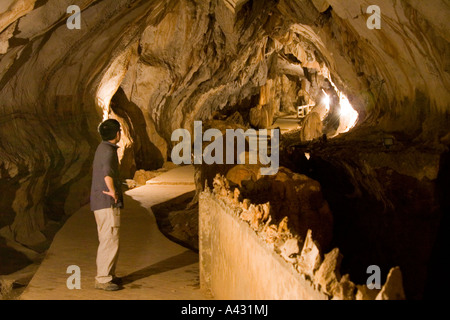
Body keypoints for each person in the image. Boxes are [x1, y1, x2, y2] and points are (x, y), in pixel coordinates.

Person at [90, 119, 124, 291]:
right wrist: (112, 191)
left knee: (110, 238)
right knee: (109, 239)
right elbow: (107, 172)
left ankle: (109, 274)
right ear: (117, 133)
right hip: (106, 202)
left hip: (100, 202)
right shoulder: (108, 152)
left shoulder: (103, 148)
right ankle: (103, 279)